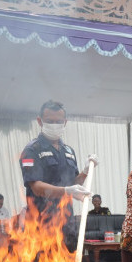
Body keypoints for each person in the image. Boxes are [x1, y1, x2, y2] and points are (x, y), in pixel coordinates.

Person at [19, 100, 97, 250]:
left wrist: (85, 172)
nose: (54, 125)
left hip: (66, 222)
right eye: (50, 121)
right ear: (39, 121)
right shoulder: (31, 150)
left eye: (59, 121)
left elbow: (74, 183)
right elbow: (36, 187)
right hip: (41, 223)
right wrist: (66, 191)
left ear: (65, 122)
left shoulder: (68, 151)